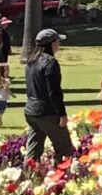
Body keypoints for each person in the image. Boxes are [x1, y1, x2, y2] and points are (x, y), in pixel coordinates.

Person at [21, 28, 74, 164]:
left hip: (31, 111)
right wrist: (62, 113)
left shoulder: (30, 61)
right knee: (65, 149)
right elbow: (54, 91)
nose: (59, 45)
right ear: (51, 44)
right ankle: (61, 177)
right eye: (57, 42)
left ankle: (28, 177)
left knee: (33, 150)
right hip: (47, 112)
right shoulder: (50, 62)